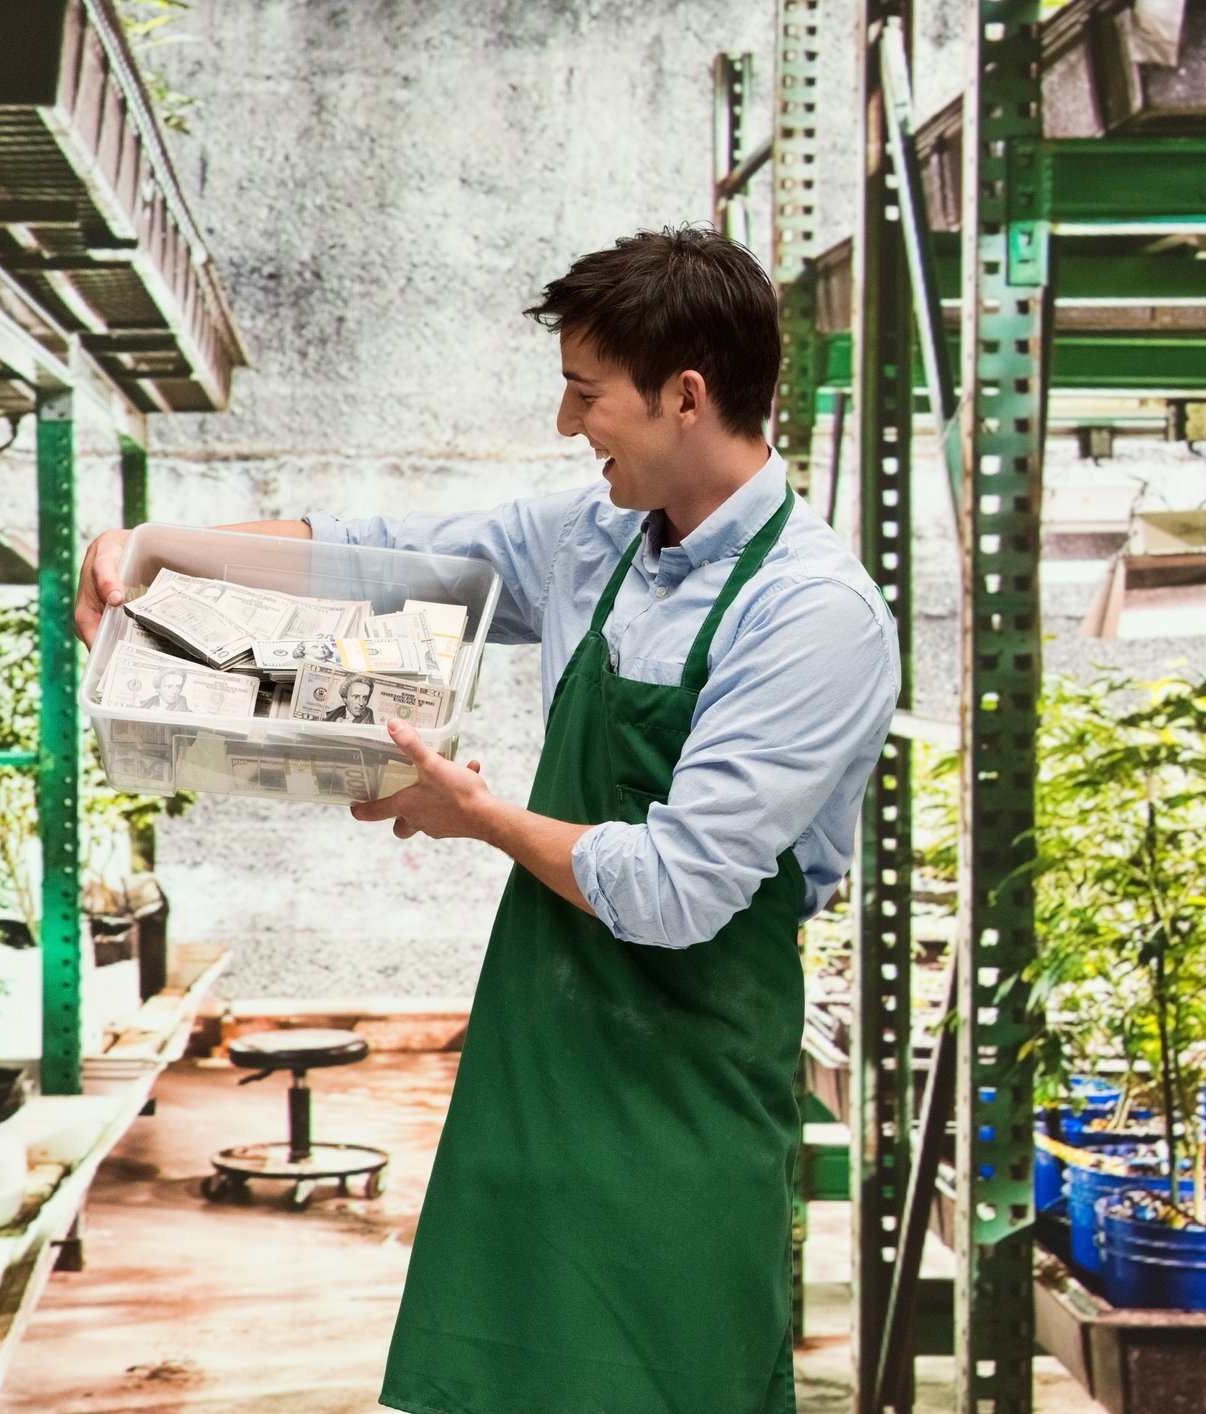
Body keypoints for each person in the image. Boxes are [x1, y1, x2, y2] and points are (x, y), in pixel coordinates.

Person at [77, 225, 898, 1414]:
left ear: (685, 396)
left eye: (585, 395)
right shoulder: (590, 542)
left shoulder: (810, 612)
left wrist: (476, 816)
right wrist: (151, 556)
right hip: (537, 1061)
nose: (568, 426)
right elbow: (380, 555)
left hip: (686, 1089)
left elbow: (678, 888)